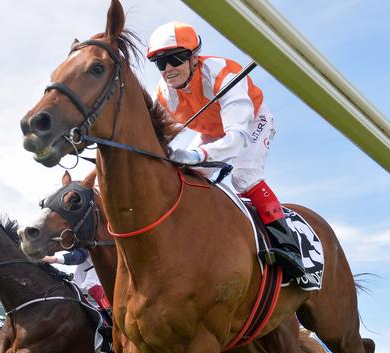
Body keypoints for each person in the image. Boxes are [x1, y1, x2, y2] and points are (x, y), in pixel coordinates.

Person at [147, 22, 305, 278]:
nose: (168, 69)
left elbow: (237, 137)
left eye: (175, 59)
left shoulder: (222, 74)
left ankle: (287, 245)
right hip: (211, 132)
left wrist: (200, 156)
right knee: (181, 177)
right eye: (160, 63)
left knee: (245, 175)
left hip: (252, 122)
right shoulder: (164, 94)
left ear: (193, 58)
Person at [42, 248, 111, 312]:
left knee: (91, 283)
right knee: (78, 282)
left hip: (104, 255)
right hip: (90, 256)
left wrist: (54, 259)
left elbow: (82, 255)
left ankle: (112, 313)